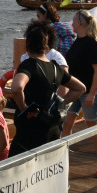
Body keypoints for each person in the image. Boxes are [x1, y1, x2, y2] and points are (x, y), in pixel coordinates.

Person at [8, 21, 87, 155]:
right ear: (46, 46)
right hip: (52, 130)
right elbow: (80, 88)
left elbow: (16, 88)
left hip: (29, 133)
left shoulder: (29, 65)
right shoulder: (56, 68)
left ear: (27, 45)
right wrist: (60, 104)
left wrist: (24, 108)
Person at [63, 10, 97, 178]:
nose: (72, 23)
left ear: (80, 23)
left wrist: (92, 94)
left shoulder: (92, 43)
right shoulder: (77, 41)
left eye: (74, 20)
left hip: (89, 92)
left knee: (93, 128)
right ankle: (62, 157)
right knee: (67, 124)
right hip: (75, 91)